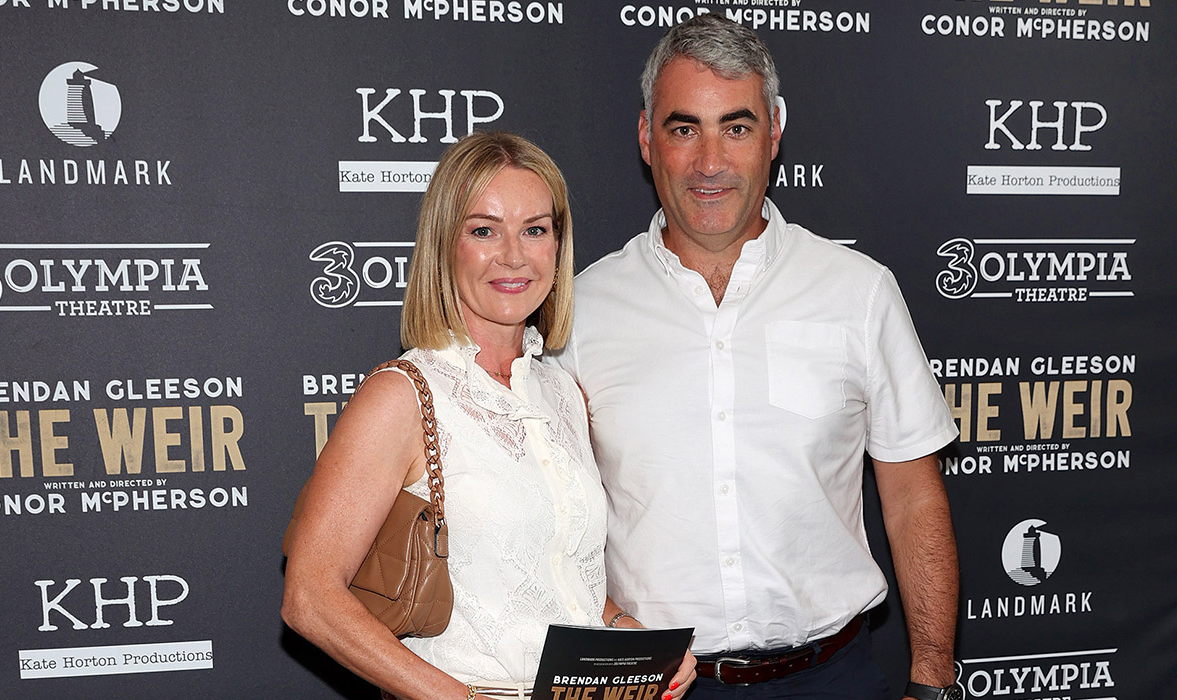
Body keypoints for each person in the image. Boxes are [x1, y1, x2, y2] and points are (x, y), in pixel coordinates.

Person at [549, 14, 962, 700]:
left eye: (735, 128)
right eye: (685, 128)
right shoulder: (579, 309)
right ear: (648, 138)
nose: (710, 162)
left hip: (834, 678)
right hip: (653, 686)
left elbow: (914, 496)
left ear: (773, 132)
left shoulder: (858, 291)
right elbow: (552, 520)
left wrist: (933, 679)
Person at [282, 131, 696, 700]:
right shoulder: (404, 394)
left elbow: (556, 569)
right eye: (484, 230)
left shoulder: (559, 392)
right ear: (445, 244)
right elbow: (311, 598)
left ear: (557, 244)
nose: (513, 255)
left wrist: (636, 641)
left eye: (535, 230)